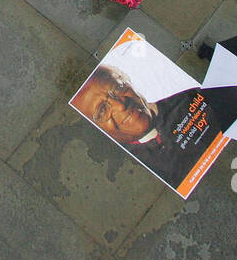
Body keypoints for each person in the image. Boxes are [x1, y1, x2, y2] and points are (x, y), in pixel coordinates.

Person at [72, 64, 222, 186]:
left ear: (128, 80)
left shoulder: (189, 97)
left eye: (118, 88)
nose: (120, 105)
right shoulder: (127, 171)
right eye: (102, 110)